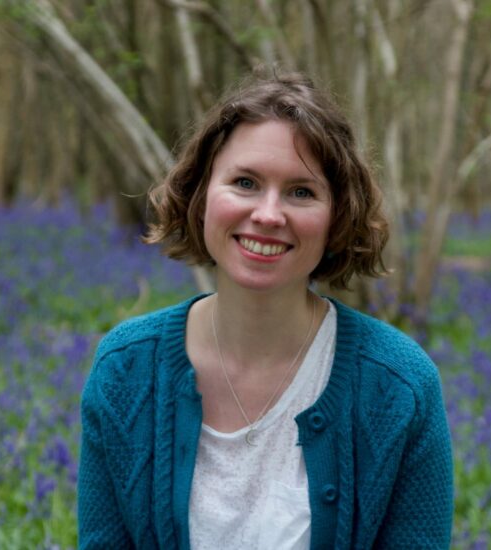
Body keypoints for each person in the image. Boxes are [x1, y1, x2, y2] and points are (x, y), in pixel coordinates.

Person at [77, 72, 453, 549]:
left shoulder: (399, 387)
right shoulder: (124, 372)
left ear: (337, 215)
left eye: (301, 192)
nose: (269, 215)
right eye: (245, 182)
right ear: (201, 195)